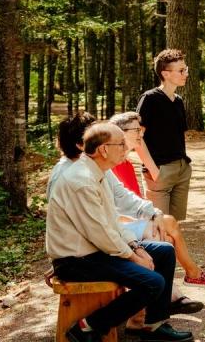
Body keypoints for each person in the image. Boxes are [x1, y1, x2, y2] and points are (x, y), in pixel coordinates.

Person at [46, 123, 193, 342]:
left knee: (164, 251)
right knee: (153, 282)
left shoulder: (99, 172)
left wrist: (136, 246)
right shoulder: (81, 181)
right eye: (121, 143)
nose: (127, 148)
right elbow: (101, 233)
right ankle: (87, 326)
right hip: (76, 260)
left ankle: (152, 325)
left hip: (95, 250)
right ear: (103, 150)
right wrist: (134, 256)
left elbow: (111, 222)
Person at [110, 111, 205, 289]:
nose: (142, 134)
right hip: (116, 228)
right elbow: (112, 211)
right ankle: (190, 277)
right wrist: (146, 220)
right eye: (137, 130)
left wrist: (150, 216)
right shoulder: (110, 166)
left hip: (128, 223)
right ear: (120, 132)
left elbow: (134, 201)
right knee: (168, 224)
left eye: (142, 130)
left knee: (167, 236)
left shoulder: (126, 164)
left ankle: (172, 291)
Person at [137, 49, 193, 221]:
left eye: (186, 69)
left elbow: (177, 136)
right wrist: (154, 171)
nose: (186, 74)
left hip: (181, 169)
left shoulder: (178, 101)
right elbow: (137, 138)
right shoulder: (149, 99)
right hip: (159, 171)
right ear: (165, 74)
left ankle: (174, 250)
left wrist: (184, 167)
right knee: (158, 226)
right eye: (181, 70)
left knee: (174, 225)